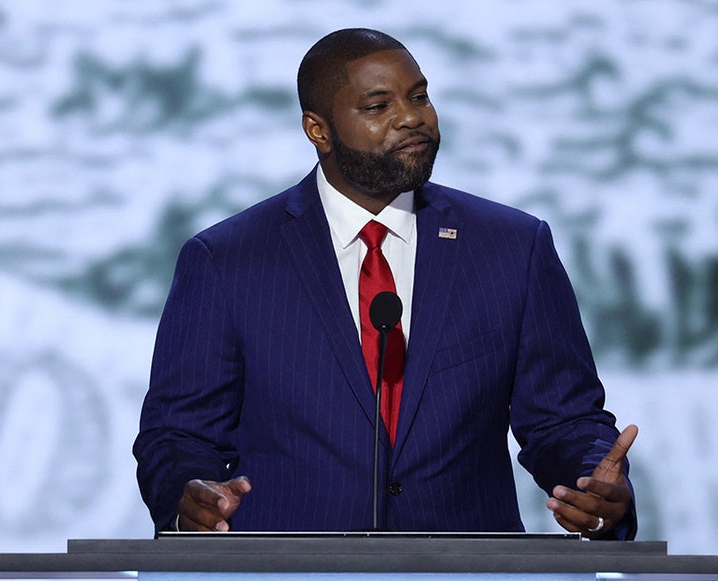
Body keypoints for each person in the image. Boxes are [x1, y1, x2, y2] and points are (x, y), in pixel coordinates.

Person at [132, 28, 637, 540]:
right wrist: (188, 500)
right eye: (379, 106)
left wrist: (593, 489)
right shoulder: (226, 260)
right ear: (318, 130)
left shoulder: (512, 248)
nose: (412, 116)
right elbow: (178, 434)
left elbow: (564, 421)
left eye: (419, 96)